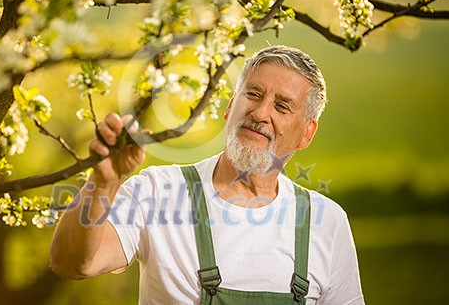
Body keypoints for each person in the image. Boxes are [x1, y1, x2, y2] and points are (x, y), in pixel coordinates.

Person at [50, 45, 365, 304]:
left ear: (306, 134)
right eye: (253, 95)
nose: (260, 113)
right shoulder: (159, 192)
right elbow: (72, 262)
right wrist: (102, 184)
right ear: (231, 107)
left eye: (282, 107)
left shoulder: (325, 222)